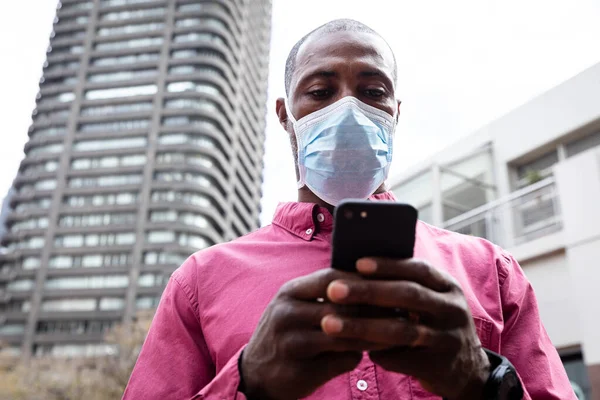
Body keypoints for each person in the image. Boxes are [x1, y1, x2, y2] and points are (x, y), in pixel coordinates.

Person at [123, 19, 575, 399]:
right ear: (286, 115)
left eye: (372, 91)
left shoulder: (491, 272)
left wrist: (482, 380)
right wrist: (249, 380)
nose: (349, 109)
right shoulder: (201, 281)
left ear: (395, 112)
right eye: (320, 92)